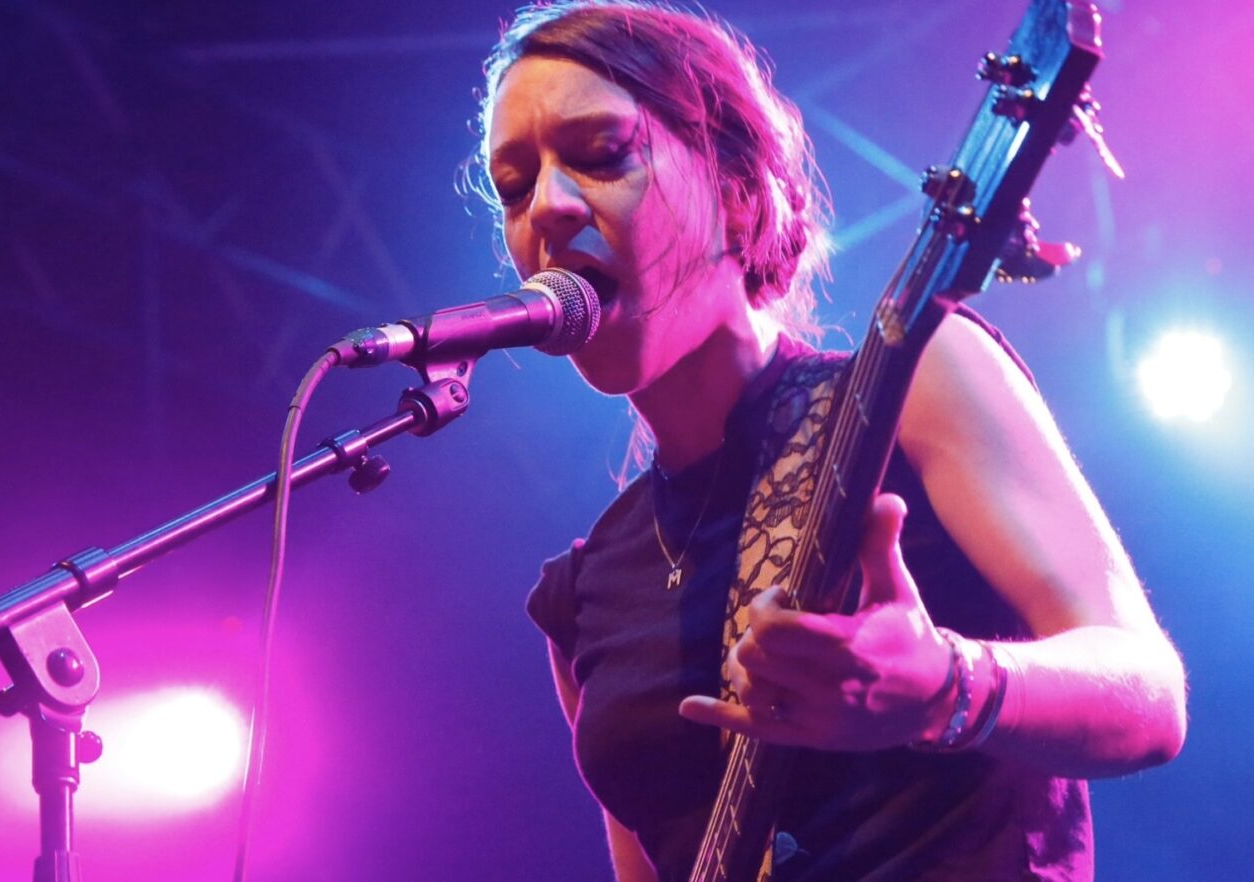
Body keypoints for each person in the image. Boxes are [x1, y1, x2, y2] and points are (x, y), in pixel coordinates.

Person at [473, 2, 1187, 879]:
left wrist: (946, 687)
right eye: (514, 185)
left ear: (739, 197)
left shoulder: (910, 385)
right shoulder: (582, 598)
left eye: (602, 154)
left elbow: (1149, 697)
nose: (547, 206)